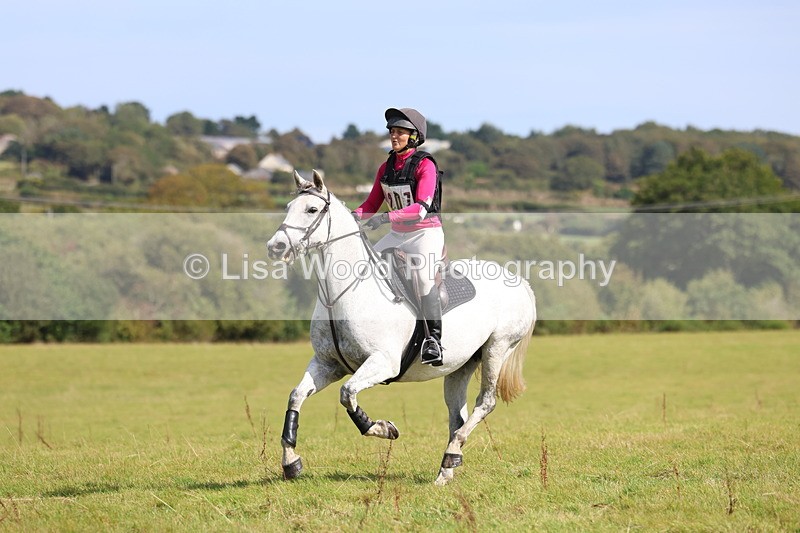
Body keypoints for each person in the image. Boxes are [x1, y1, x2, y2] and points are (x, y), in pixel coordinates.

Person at [352, 107, 445, 366]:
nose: (394, 136)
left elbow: (420, 209)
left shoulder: (425, 165)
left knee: (424, 280)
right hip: (397, 234)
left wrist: (385, 218)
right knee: (363, 268)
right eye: (392, 132)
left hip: (424, 233)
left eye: (400, 132)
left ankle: (434, 341)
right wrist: (349, 217)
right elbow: (370, 204)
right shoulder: (386, 167)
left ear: (414, 137)